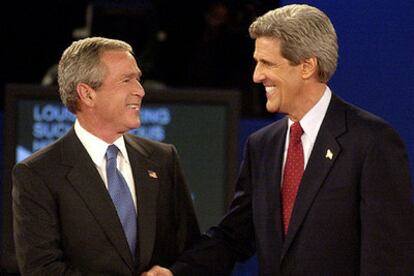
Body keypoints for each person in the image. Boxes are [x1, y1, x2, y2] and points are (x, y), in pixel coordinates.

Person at [142, 4, 414, 275]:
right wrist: (178, 273)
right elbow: (233, 236)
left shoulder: (371, 142)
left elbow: (388, 260)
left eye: (267, 63)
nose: (256, 76)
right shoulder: (263, 146)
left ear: (307, 66)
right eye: (257, 62)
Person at [12, 37, 200, 275]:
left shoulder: (163, 160)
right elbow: (43, 269)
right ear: (87, 94)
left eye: (138, 79)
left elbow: (191, 251)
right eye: (126, 80)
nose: (140, 91)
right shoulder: (39, 174)